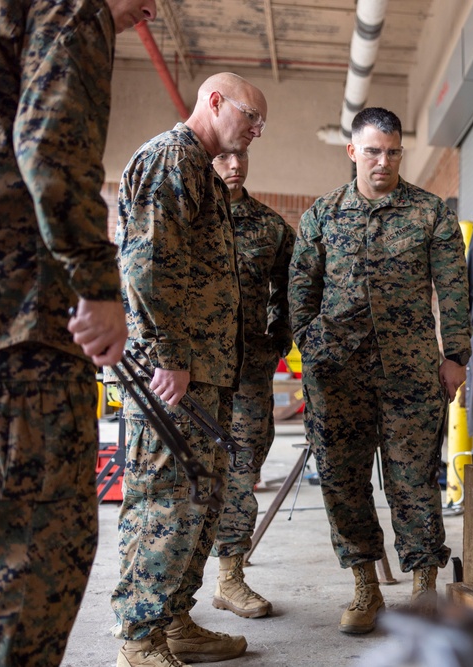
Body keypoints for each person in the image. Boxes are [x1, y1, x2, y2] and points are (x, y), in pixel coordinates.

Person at [0, 1, 155, 664]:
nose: (149, 10)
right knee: (36, 557)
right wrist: (97, 285)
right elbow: (51, 144)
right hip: (25, 325)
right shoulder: (72, 5)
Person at [289, 106, 471, 635]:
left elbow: (453, 288)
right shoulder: (322, 215)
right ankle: (365, 588)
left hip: (410, 371)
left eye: (392, 152)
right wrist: (312, 344)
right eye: (372, 151)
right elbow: (301, 288)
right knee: (343, 482)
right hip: (336, 375)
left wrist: (455, 355)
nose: (383, 162)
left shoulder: (430, 213)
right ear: (353, 152)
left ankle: (423, 588)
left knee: (413, 481)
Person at [112, 72, 268, 667]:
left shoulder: (203, 170)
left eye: (261, 124)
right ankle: (139, 638)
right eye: (249, 116)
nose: (256, 129)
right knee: (164, 504)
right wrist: (170, 357)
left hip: (206, 374)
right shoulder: (171, 159)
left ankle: (175, 619)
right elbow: (144, 270)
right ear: (214, 101)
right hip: (173, 378)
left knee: (198, 503)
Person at [208, 150, 295, 619]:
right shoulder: (188, 211)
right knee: (184, 476)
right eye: (223, 155)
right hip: (192, 374)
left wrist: (277, 337)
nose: (234, 164)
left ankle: (229, 579)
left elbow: (293, 288)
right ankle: (171, 594)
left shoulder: (270, 227)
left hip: (247, 373)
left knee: (241, 470)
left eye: (240, 154)